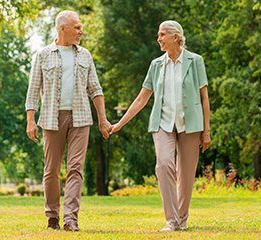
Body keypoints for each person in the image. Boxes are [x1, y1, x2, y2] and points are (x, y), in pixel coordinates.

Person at [110, 20, 211, 231]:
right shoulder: (156, 65)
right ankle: (171, 220)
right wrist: (120, 123)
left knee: (186, 174)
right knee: (164, 164)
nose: (159, 38)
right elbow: (141, 99)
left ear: (176, 37)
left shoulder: (195, 61)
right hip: (163, 123)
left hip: (190, 124)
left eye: (162, 34)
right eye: (159, 34)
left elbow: (204, 98)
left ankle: (181, 220)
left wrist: (206, 132)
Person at [25, 10, 112, 232]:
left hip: (81, 118)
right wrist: (30, 120)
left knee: (75, 168)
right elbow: (33, 90)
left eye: (81, 27)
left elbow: (95, 89)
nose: (81, 32)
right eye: (77, 28)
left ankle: (70, 219)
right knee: (51, 170)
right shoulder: (43, 55)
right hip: (52, 118)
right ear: (62, 28)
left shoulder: (85, 55)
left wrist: (102, 120)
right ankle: (52, 216)